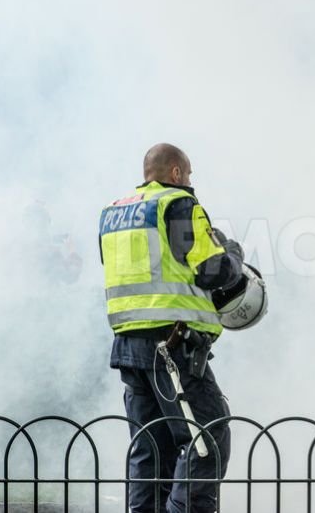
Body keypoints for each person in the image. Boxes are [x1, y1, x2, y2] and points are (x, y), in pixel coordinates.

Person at [98, 143, 244, 513]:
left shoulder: (114, 212)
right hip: (173, 346)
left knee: (151, 449)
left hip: (128, 347)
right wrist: (233, 257)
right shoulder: (178, 204)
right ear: (176, 173)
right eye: (189, 174)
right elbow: (210, 270)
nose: (191, 181)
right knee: (205, 440)